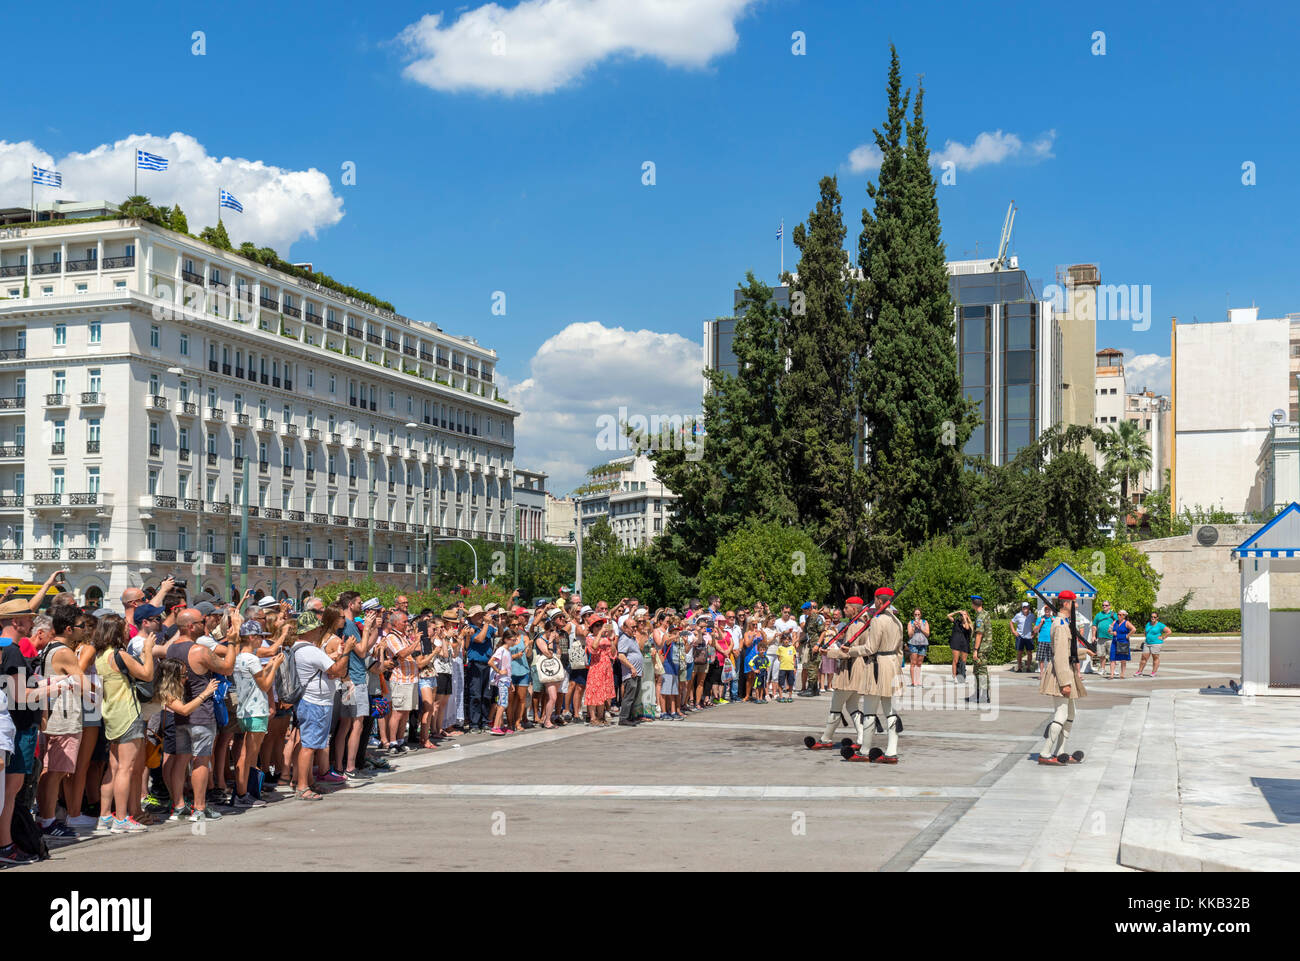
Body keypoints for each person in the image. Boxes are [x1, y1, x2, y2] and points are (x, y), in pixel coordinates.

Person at [165, 608, 236, 823]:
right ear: (190, 626)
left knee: (181, 759)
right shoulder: (199, 651)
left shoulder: (171, 650)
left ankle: (179, 805)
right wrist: (232, 642)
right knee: (201, 761)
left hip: (181, 713)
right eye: (201, 621)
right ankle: (199, 807)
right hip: (201, 713)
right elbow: (227, 667)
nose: (205, 624)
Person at [92, 612, 155, 833]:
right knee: (126, 769)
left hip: (110, 714)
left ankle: (105, 816)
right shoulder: (119, 655)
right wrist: (147, 650)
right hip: (127, 713)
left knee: (114, 767)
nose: (128, 630)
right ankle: (121, 819)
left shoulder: (99, 656)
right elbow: (147, 674)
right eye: (124, 627)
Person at [291, 611, 350, 800]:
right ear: (311, 630)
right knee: (309, 746)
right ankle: (302, 786)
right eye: (317, 628)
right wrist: (346, 651)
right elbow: (337, 671)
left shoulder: (297, 648)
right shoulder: (310, 650)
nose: (319, 631)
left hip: (311, 701)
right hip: (315, 702)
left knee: (310, 744)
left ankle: (307, 782)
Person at [845, 587, 906, 763]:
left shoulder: (877, 621)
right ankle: (892, 752)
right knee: (890, 712)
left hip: (877, 665)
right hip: (892, 665)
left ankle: (864, 751)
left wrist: (851, 650)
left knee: (870, 711)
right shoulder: (897, 621)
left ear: (879, 600)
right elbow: (900, 651)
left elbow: (870, 648)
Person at [805, 598, 868, 751]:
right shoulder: (861, 625)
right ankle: (861, 738)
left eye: (847, 608)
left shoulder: (854, 626)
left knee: (836, 707)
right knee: (852, 706)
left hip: (850, 669)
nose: (843, 610)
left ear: (854, 609)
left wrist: (829, 653)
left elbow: (847, 652)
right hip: (859, 669)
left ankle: (826, 739)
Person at [232, 620, 281, 806]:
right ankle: (243, 794)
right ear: (251, 637)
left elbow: (255, 678)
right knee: (248, 755)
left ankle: (247, 792)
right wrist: (275, 666)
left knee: (247, 754)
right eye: (260, 636)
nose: (262, 640)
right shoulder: (252, 659)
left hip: (244, 709)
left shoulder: (238, 657)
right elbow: (265, 685)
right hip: (256, 710)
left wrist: (269, 665)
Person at [1036, 590, 1087, 765]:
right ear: (1066, 603)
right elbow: (1059, 655)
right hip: (1060, 674)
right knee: (1061, 713)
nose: (1076, 605)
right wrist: (1065, 682)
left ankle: (1060, 751)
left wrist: (1085, 651)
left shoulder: (1065, 622)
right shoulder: (1059, 624)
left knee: (1071, 713)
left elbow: (1067, 651)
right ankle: (1045, 753)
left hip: (1067, 671)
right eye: (1073, 602)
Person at [584, 615, 614, 726]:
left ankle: (601, 716)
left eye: (601, 625)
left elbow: (613, 652)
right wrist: (601, 633)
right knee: (593, 691)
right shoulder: (589, 638)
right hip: (596, 666)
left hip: (606, 666)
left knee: (604, 692)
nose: (600, 627)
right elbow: (594, 647)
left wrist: (611, 639)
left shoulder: (605, 638)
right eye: (597, 625)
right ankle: (592, 717)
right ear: (592, 627)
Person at [616, 619, 644, 727]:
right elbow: (621, 656)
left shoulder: (632, 639)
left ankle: (630, 717)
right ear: (625, 628)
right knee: (629, 696)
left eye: (636, 626)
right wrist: (632, 667)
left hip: (636, 672)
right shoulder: (624, 639)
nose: (635, 629)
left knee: (635, 696)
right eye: (633, 627)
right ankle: (624, 718)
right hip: (630, 673)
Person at [1137, 613, 1171, 677]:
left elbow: (1169, 631)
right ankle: (1139, 671)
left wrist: (1163, 637)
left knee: (1155, 658)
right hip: (1147, 643)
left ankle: (1153, 672)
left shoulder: (1160, 625)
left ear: (1157, 618)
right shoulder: (1148, 624)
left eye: (1154, 617)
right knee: (1143, 657)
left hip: (1156, 643)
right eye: (1152, 617)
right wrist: (1146, 638)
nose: (1153, 618)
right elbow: (1145, 632)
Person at [945, 607, 971, 682]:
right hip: (956, 642)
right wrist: (957, 612)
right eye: (962, 614)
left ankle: (962, 676)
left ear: (967, 616)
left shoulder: (968, 624)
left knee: (963, 661)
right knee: (955, 660)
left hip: (964, 644)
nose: (963, 616)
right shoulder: (956, 622)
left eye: (965, 614)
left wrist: (965, 618)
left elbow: (966, 628)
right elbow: (948, 616)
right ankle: (954, 676)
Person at [1091, 599, 1116, 677]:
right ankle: (1102, 669)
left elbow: (1119, 622)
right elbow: (1094, 625)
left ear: (1109, 606)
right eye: (1103, 605)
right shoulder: (1098, 615)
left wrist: (1112, 625)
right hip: (1101, 638)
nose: (1104, 606)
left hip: (1111, 638)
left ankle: (1113, 669)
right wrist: (1093, 636)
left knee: (1112, 655)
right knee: (1101, 655)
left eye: (1106, 605)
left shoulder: (1113, 614)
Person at [906, 609, 929, 686]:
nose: (917, 616)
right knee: (913, 663)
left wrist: (921, 627)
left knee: (919, 663)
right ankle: (913, 682)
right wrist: (914, 627)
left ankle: (918, 681)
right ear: (913, 615)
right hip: (913, 644)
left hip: (923, 644)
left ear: (921, 615)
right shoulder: (911, 623)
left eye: (918, 614)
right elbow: (910, 635)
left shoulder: (925, 622)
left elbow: (927, 634)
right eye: (915, 614)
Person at [1011, 601, 1036, 673]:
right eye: (1024, 607)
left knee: (1029, 652)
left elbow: (1036, 624)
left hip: (1028, 637)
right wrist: (1014, 631)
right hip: (1020, 636)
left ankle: (1028, 668)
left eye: (1027, 607)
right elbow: (1011, 622)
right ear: (1022, 608)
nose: (1025, 608)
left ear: (1029, 607)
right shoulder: (1018, 615)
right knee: (1019, 652)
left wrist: (1034, 633)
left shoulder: (1032, 616)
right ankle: (1019, 667)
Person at [1109, 610, 1133, 679]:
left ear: (1124, 616)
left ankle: (1122, 674)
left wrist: (1127, 636)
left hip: (1123, 642)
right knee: (1112, 658)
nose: (1118, 616)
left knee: (1123, 659)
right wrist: (1112, 633)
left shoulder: (1126, 623)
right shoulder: (1115, 622)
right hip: (1115, 642)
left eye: (1120, 614)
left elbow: (1133, 629)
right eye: (1118, 614)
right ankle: (1112, 674)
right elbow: (1109, 630)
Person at [774, 631, 797, 702]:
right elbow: (778, 657)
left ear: (790, 640)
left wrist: (794, 667)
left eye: (788, 639)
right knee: (781, 683)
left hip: (790, 668)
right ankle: (781, 696)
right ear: (782, 640)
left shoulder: (792, 647)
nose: (786, 641)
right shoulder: (780, 648)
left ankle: (790, 696)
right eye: (784, 639)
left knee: (790, 683)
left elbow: (794, 658)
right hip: (782, 668)